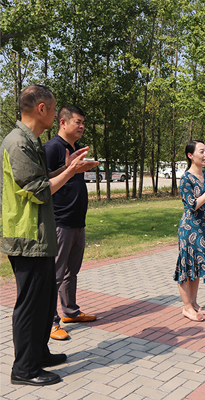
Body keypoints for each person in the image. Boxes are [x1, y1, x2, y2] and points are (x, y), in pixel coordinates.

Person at [1, 84, 97, 386]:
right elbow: (38, 191)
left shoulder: (30, 141)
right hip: (25, 236)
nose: (56, 115)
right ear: (41, 108)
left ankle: (39, 354)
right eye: (54, 110)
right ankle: (24, 370)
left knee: (44, 301)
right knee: (30, 305)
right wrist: (69, 172)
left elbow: (41, 180)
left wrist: (67, 168)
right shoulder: (18, 142)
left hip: (39, 235)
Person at [44, 105, 97, 341]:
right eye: (78, 122)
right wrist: (67, 168)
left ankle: (70, 311)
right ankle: (50, 321)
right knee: (54, 275)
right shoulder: (52, 148)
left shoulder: (75, 149)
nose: (82, 126)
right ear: (63, 122)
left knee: (71, 272)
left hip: (77, 221)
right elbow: (43, 183)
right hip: (60, 221)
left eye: (83, 122)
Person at [174, 141, 205, 321]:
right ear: (190, 155)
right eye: (201, 152)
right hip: (189, 228)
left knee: (196, 267)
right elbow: (193, 205)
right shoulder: (185, 179)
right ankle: (187, 307)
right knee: (186, 267)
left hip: (204, 228)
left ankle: (194, 303)